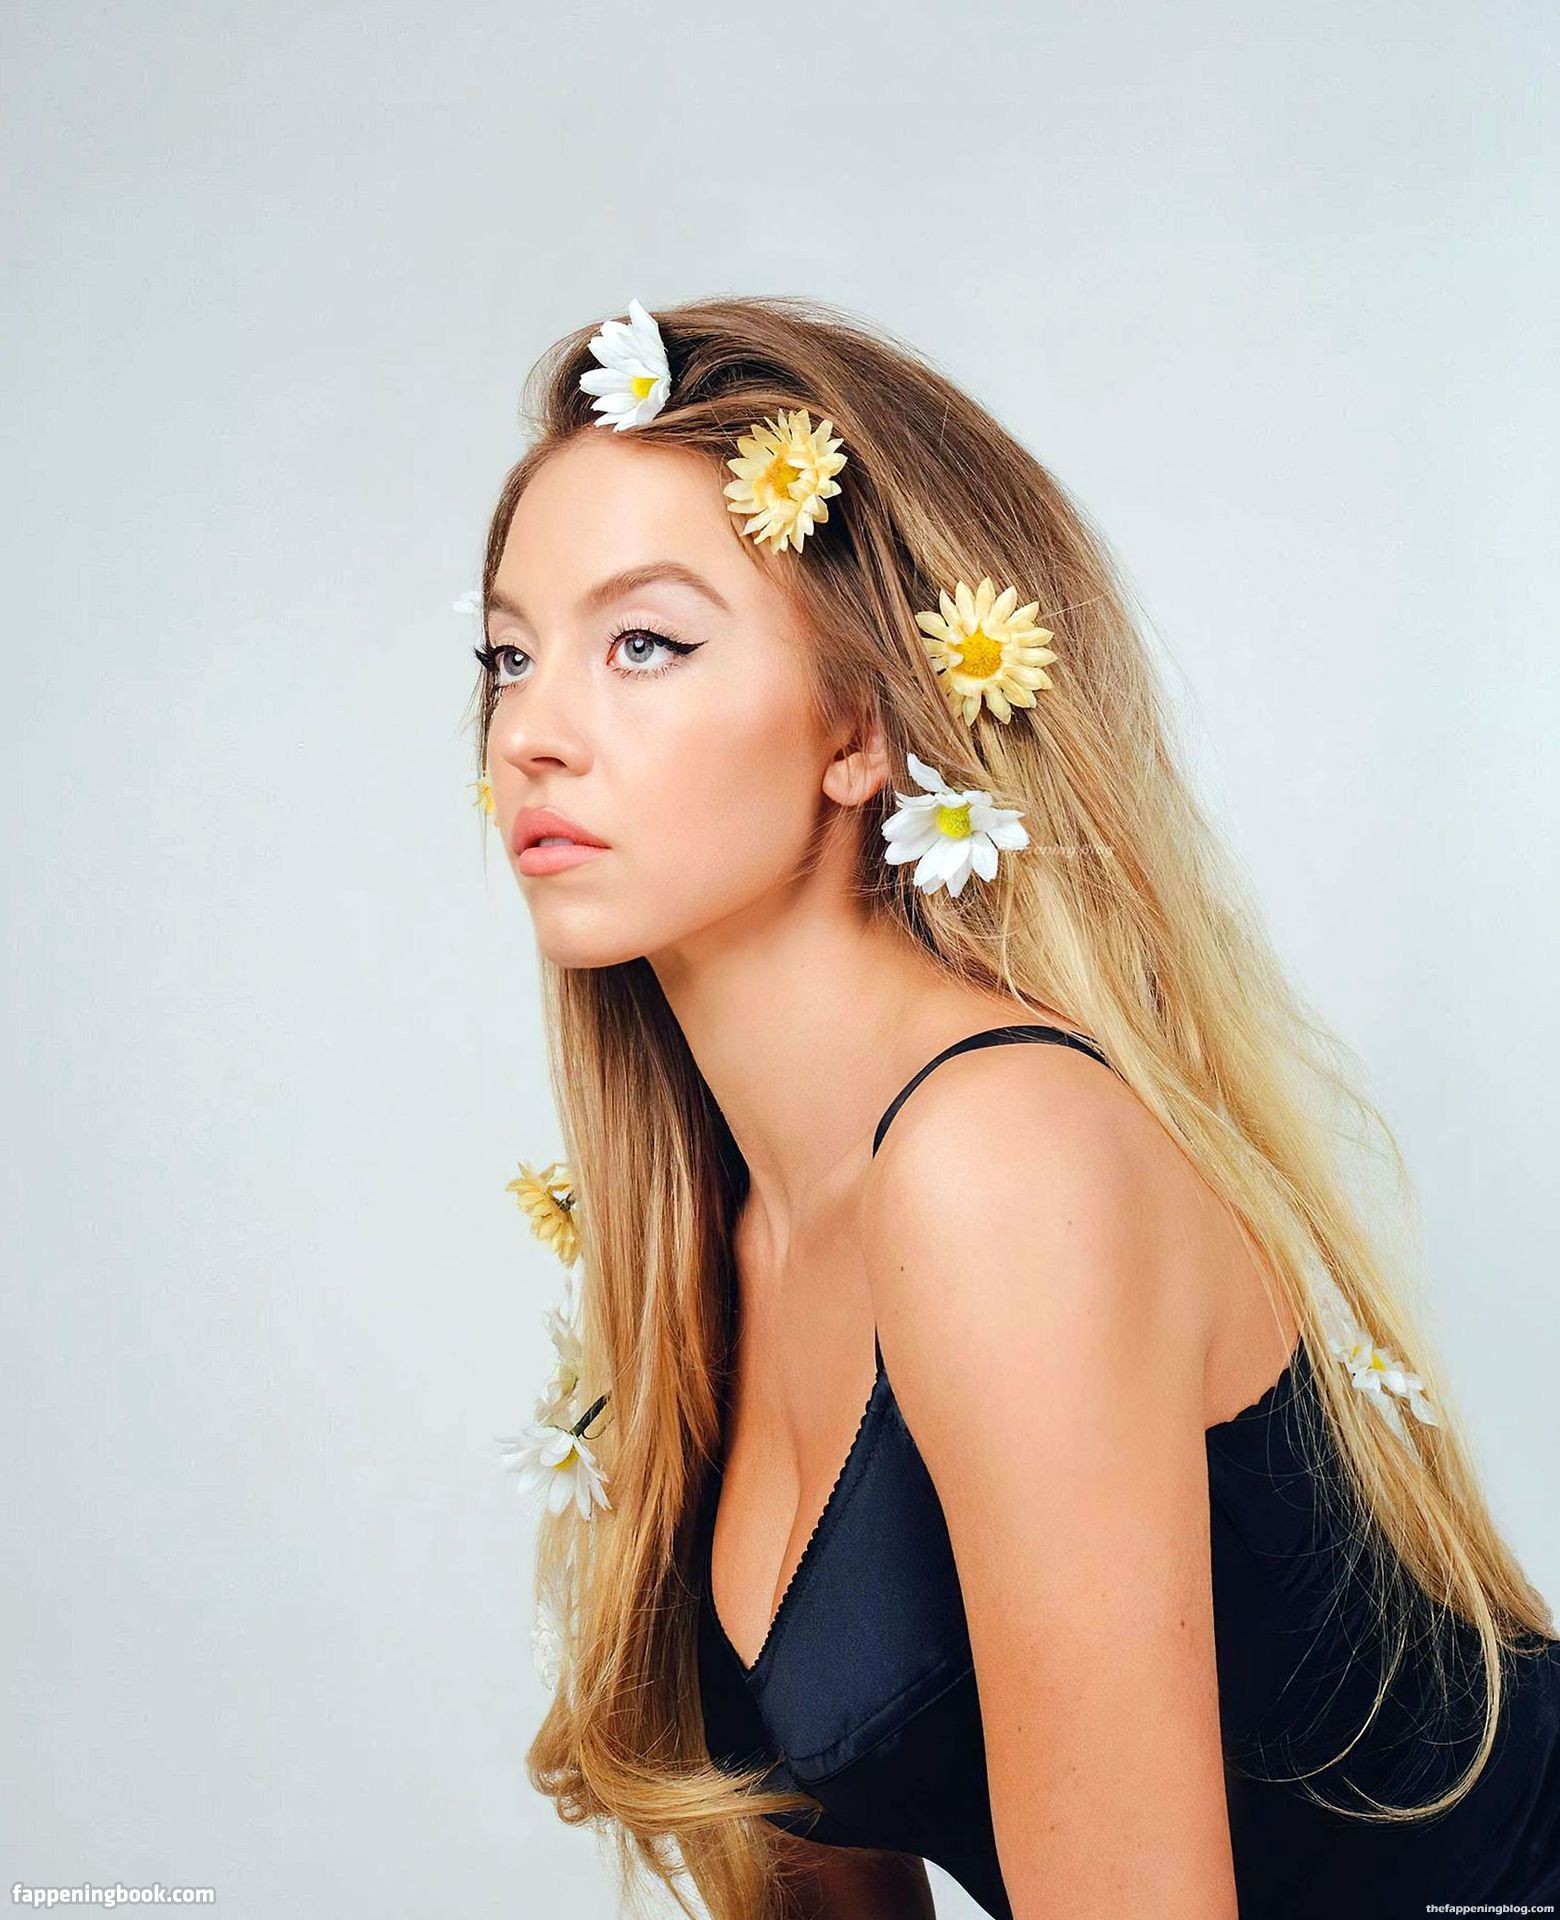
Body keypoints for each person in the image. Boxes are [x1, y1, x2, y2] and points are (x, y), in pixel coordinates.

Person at [478, 295, 1560, 1918]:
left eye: (645, 643)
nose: (531, 735)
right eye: (507, 655)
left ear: (860, 725)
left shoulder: (1000, 1161)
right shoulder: (713, 1241)